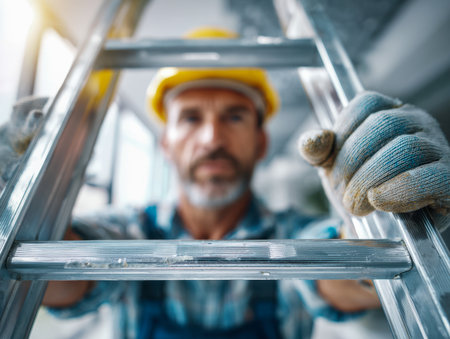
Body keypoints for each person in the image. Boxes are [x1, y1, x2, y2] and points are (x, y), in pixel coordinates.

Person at [41, 28, 450, 339]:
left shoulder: (294, 236)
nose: (212, 139)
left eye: (234, 116)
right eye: (191, 118)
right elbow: (61, 280)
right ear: (165, 144)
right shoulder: (126, 234)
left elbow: (337, 284)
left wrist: (374, 226)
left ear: (261, 142)